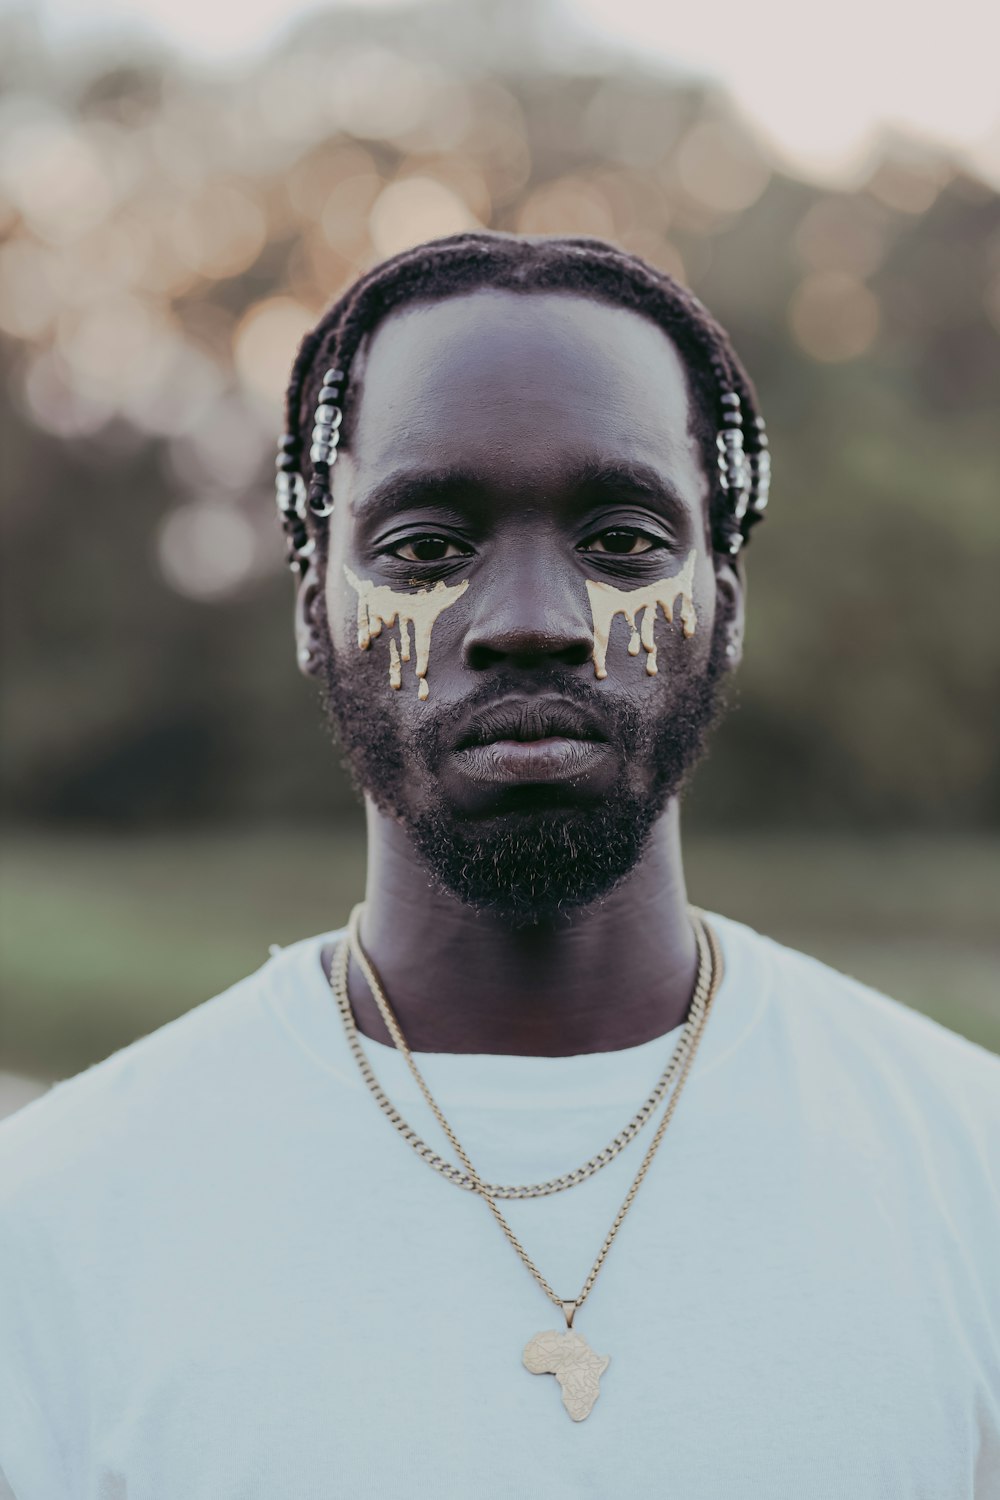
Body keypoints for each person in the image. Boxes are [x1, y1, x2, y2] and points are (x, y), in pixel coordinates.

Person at [1, 232, 997, 1498]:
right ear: (315, 606)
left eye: (623, 538)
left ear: (725, 601)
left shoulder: (971, 1174)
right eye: (425, 547)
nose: (532, 619)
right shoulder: (53, 1223)